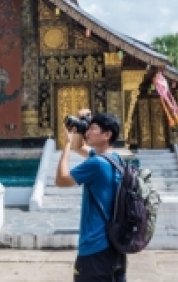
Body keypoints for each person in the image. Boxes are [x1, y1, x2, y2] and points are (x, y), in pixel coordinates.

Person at [55, 109, 126, 282]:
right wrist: (81, 125)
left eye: (92, 128)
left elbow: (61, 180)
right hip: (115, 247)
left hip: (94, 248)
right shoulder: (116, 160)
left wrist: (66, 144)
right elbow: (79, 147)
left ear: (106, 134)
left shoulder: (97, 164)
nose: (88, 132)